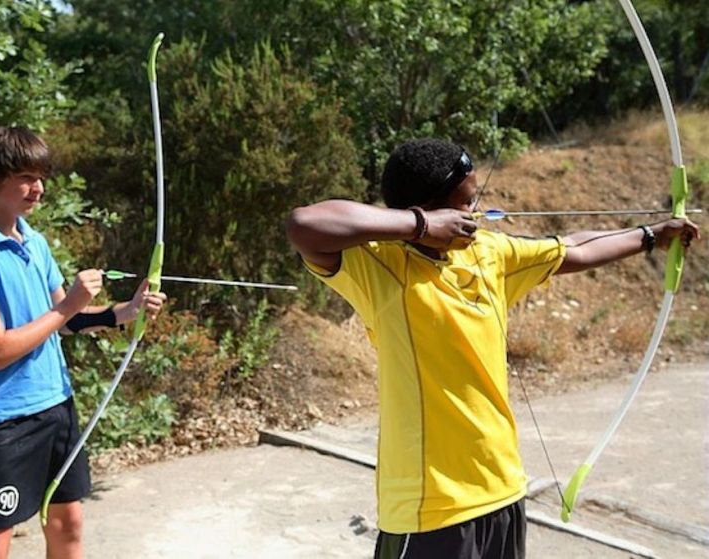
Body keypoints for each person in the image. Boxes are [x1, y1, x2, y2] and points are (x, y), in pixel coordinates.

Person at [285, 137, 699, 559]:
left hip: (503, 492)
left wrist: (650, 236)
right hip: (431, 509)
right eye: (465, 204)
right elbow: (304, 224)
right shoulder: (376, 265)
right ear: (434, 208)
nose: (475, 213)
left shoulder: (489, 253)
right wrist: (421, 227)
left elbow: (573, 248)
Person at [0, 126, 167, 559]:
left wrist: (124, 312)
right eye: (26, 177)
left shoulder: (35, 243)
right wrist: (69, 307)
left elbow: (66, 321)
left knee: (68, 523)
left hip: (55, 405)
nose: (38, 189)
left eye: (41, 177)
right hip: (4, 419)